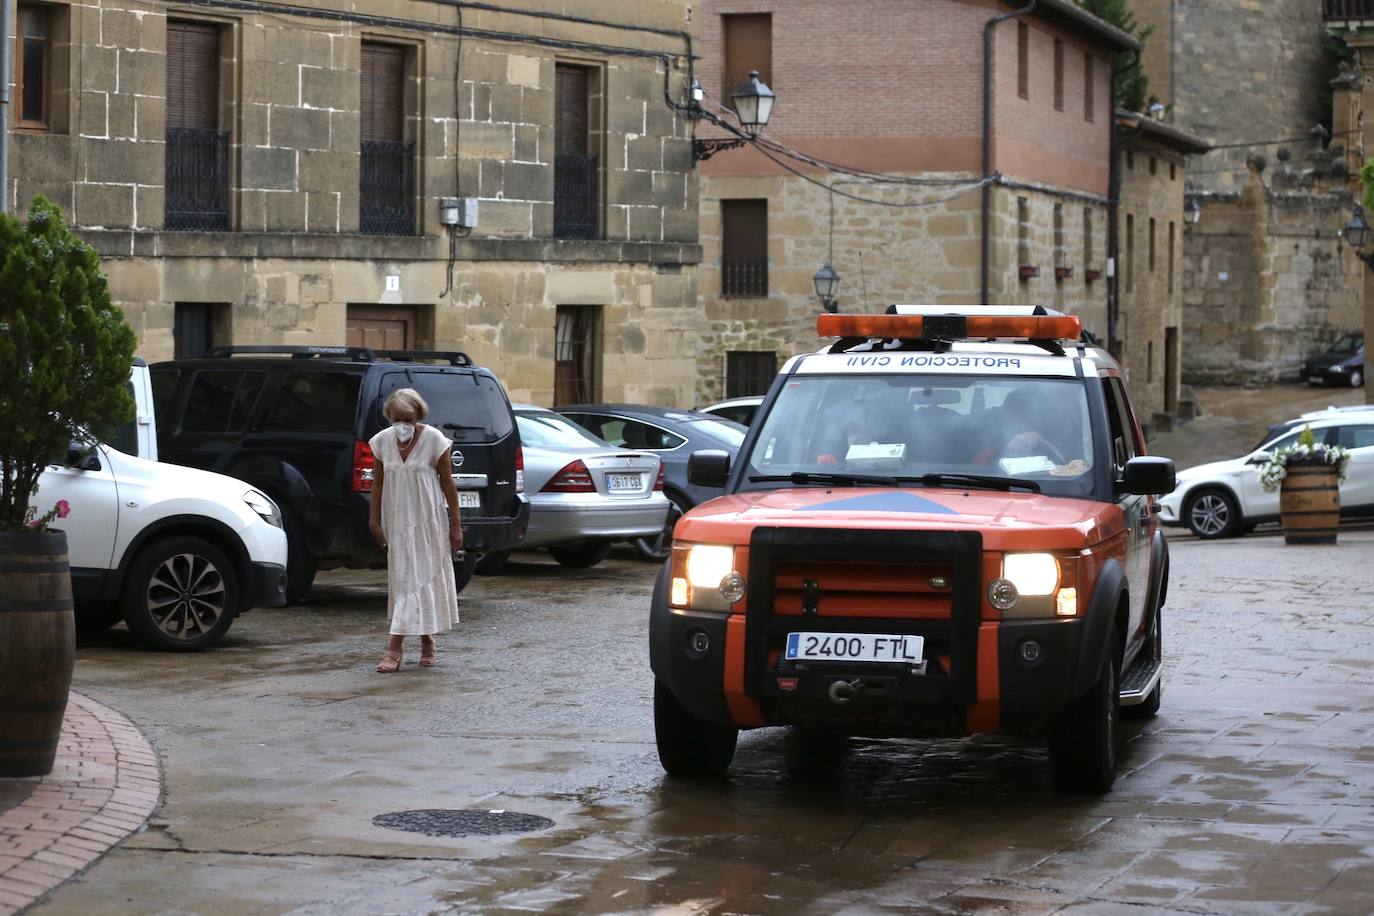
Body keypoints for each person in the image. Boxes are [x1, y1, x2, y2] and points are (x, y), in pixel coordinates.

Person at [368, 388, 463, 672]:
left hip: (428, 519)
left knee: (420, 579)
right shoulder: (382, 442)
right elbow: (377, 484)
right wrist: (374, 521)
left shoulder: (435, 440)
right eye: (397, 419)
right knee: (406, 580)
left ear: (418, 416)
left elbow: (448, 483)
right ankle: (426, 639)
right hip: (397, 519)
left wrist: (456, 525)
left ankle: (394, 648)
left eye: (407, 419)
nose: (402, 425)